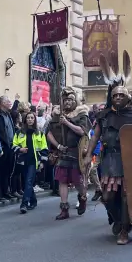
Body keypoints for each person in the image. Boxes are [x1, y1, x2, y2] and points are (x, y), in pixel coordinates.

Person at [84, 54, 132, 245]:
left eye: (121, 95)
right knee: (108, 196)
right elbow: (95, 136)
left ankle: (124, 230)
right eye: (115, 95)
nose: (117, 98)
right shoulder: (104, 115)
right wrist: (87, 155)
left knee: (127, 196)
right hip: (109, 160)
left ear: (127, 98)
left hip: (128, 161)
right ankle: (118, 220)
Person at [46, 87, 90, 220]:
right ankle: (64, 209)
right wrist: (58, 145)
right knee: (62, 181)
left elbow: (82, 131)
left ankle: (82, 197)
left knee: (78, 182)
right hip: (63, 152)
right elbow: (48, 132)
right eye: (65, 100)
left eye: (70, 100)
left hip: (77, 153)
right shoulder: (57, 115)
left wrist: (67, 122)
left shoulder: (81, 114)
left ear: (74, 100)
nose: (67, 103)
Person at [13, 111, 48, 214]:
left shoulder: (40, 133)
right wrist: (20, 149)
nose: (30, 120)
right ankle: (33, 200)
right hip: (23, 161)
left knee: (28, 182)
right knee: (26, 183)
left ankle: (24, 204)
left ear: (34, 120)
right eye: (28, 118)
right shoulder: (19, 133)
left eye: (32, 118)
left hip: (34, 161)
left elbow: (44, 149)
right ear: (25, 120)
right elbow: (13, 145)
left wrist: (42, 162)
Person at [0, 95, 16, 202]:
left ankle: (6, 191)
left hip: (11, 146)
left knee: (8, 170)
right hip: (3, 146)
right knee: (0, 171)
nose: (10, 102)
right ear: (2, 103)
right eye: (8, 101)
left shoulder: (8, 115)